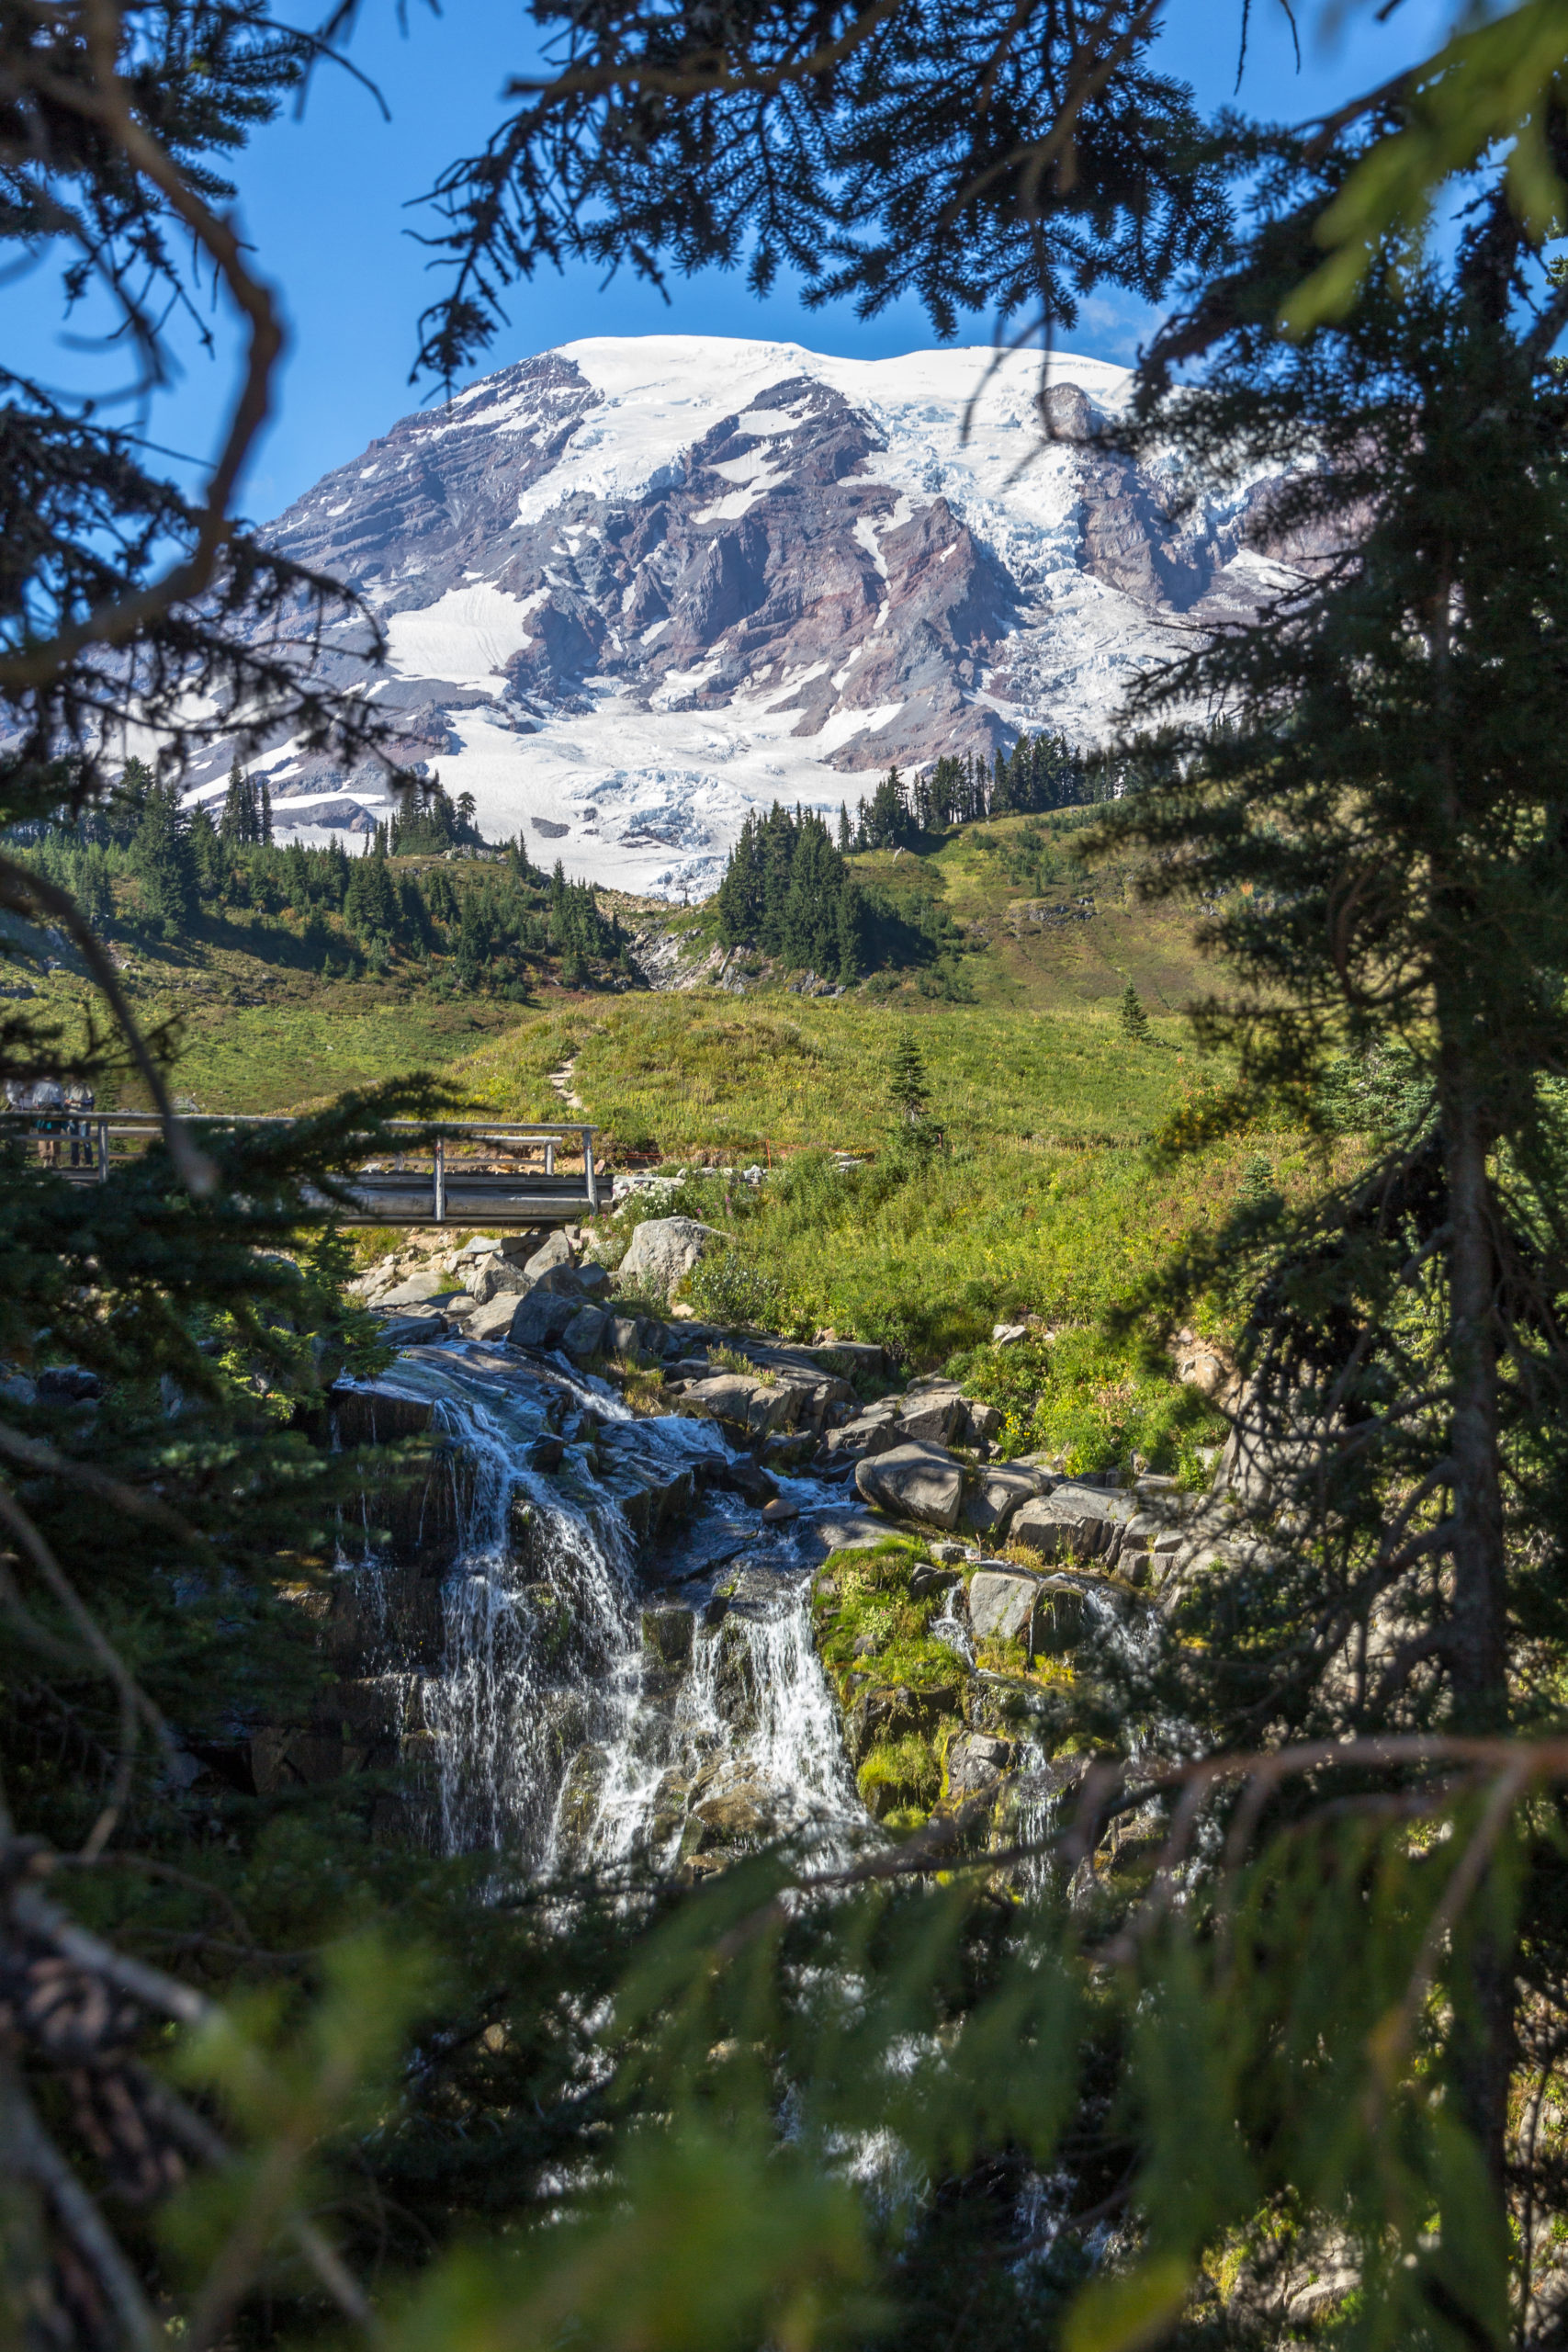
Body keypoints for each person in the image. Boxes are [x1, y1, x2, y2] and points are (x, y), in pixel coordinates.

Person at [64, 1078, 96, 1169]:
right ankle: (74, 1163)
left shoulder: (86, 1087)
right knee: (74, 1141)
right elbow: (64, 1101)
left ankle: (89, 1162)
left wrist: (78, 1102)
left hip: (84, 1117)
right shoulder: (69, 1088)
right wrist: (66, 1102)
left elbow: (91, 1101)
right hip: (72, 1117)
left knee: (85, 1140)